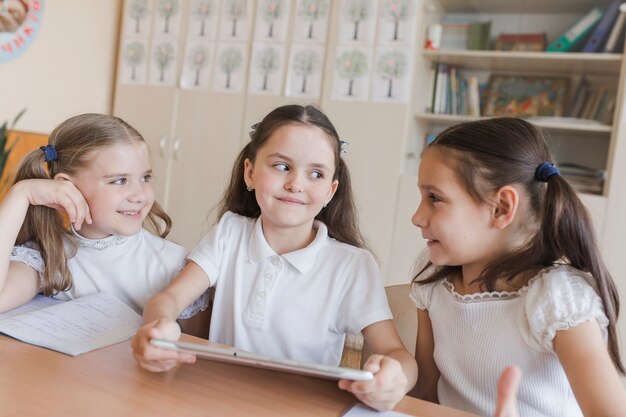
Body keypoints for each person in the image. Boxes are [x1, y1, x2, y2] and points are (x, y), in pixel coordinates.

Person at [131, 104, 418, 411]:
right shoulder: (229, 233)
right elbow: (169, 299)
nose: (296, 183)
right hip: (216, 400)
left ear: (330, 192)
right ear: (250, 172)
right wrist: (159, 328)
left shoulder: (352, 266)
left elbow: (397, 354)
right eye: (282, 166)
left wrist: (394, 378)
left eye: (316, 174)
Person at [410, 117, 626, 416]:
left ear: (501, 208)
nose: (417, 217)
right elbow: (424, 394)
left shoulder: (556, 300)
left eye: (434, 198)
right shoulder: (432, 277)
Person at [0, 113, 190, 316]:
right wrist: (22, 194)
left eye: (145, 177)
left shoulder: (175, 266)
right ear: (67, 186)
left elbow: (200, 345)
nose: (140, 196)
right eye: (120, 181)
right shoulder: (48, 256)